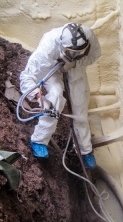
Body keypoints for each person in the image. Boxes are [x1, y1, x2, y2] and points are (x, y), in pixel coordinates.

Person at [20, 23, 101, 169]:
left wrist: (75, 63)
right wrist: (38, 97)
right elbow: (27, 76)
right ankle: (39, 140)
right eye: (72, 52)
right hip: (53, 69)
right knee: (55, 97)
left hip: (77, 68)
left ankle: (85, 150)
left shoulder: (89, 35)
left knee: (80, 108)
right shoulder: (48, 46)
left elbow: (95, 55)